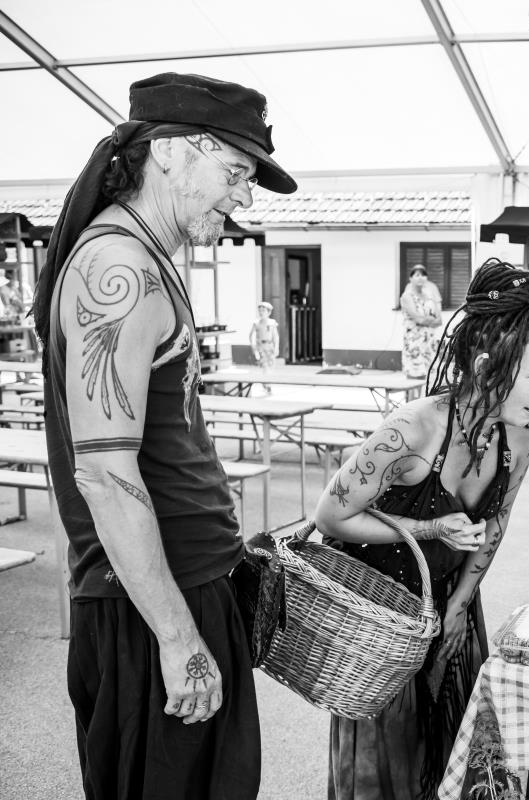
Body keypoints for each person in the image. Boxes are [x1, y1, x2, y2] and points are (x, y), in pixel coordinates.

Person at [31, 72, 297, 799]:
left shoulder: (148, 256)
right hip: (147, 605)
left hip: (185, 583)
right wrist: (178, 638)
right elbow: (104, 474)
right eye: (236, 173)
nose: (244, 198)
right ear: (175, 150)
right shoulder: (116, 267)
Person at [316, 259, 529, 800]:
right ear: (486, 366)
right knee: (388, 760)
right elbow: (330, 516)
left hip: (455, 602)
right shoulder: (412, 429)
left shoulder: (520, 436)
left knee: (456, 749)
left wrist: (458, 608)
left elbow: (497, 522)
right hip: (385, 614)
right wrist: (428, 528)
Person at [400, 264, 444, 380]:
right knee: (414, 377)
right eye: (417, 275)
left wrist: (425, 320)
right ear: (411, 278)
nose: (421, 278)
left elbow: (439, 320)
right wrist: (429, 319)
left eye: (423, 275)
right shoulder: (407, 296)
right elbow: (418, 319)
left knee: (430, 378)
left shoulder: (429, 296)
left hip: (429, 342)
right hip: (414, 342)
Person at [249, 300, 279, 392]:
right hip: (261, 347)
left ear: (269, 312)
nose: (261, 313)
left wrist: (276, 347)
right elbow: (251, 336)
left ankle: (266, 382)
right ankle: (267, 384)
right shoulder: (256, 323)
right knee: (265, 366)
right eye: (260, 311)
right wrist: (254, 347)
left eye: (264, 311)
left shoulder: (272, 323)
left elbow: (275, 336)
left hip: (270, 346)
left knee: (270, 366)